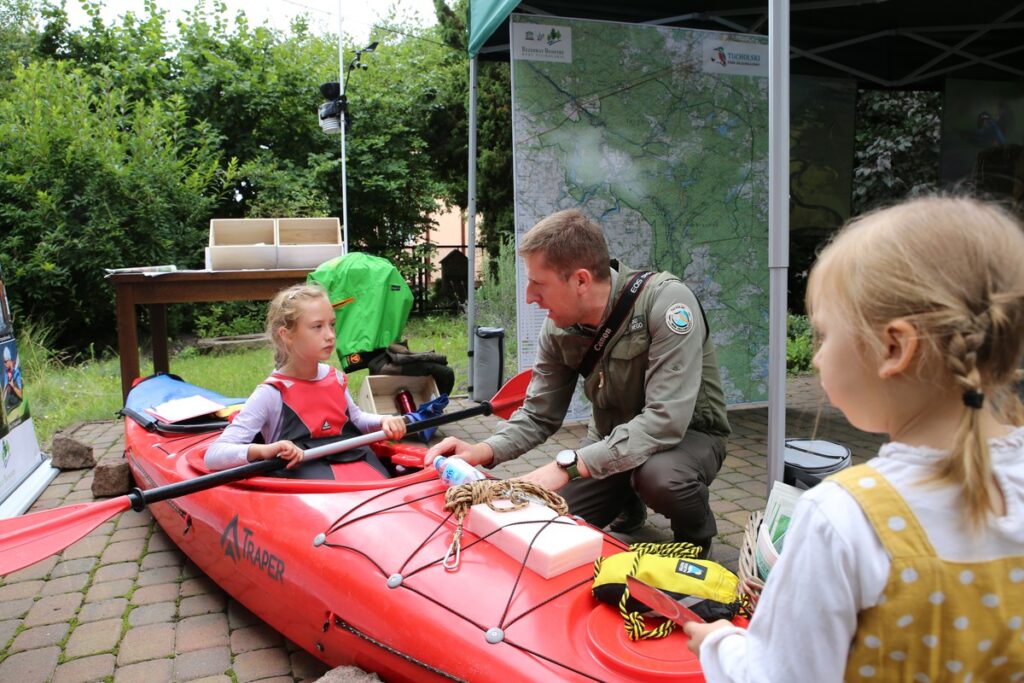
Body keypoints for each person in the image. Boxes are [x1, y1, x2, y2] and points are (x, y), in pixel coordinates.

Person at [685, 196, 1024, 680]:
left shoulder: (844, 517)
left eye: (823, 335)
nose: (817, 358)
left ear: (894, 347)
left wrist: (719, 644)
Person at [425, 209, 731, 553]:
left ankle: (696, 537)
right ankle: (625, 496)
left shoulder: (666, 304)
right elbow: (539, 414)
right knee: (546, 517)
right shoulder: (558, 328)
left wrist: (567, 466)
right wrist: (481, 450)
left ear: (581, 280)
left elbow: (665, 421)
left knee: (661, 478)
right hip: (612, 441)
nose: (528, 296)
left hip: (687, 438)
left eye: (538, 284)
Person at [205, 283, 406, 474]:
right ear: (286, 335)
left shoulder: (334, 378)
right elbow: (214, 455)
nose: (330, 335)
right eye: (317, 327)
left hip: (358, 474)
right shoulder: (271, 394)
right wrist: (265, 450)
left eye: (332, 324)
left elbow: (356, 420)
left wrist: (384, 420)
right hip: (306, 488)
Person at [3, 345, 23, 412]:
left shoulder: (17, 373)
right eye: (3, 362)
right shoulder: (6, 372)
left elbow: (21, 395)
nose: (4, 364)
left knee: (14, 383)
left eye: (5, 362)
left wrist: (13, 386)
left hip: (17, 397)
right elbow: (5, 388)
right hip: (10, 397)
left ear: (9, 360)